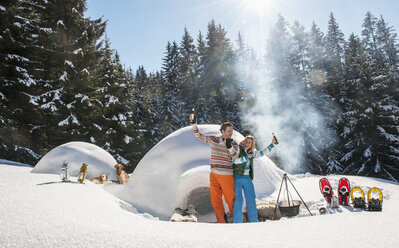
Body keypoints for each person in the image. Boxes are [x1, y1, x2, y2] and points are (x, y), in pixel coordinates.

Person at [189, 113, 238, 223]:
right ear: (223, 131)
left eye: (232, 131)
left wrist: (229, 147)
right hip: (214, 174)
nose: (231, 133)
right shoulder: (214, 140)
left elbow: (236, 157)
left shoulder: (233, 143)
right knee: (215, 200)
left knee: (231, 201)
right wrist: (194, 124)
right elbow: (199, 136)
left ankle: (237, 221)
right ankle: (221, 221)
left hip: (227, 176)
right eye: (229, 131)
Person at [232, 135, 278, 223]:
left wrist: (272, 144)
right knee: (238, 199)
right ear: (244, 141)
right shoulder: (238, 149)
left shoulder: (252, 153)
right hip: (237, 177)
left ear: (252, 145)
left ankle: (254, 220)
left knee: (251, 198)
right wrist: (246, 158)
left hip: (247, 178)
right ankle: (237, 222)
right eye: (246, 141)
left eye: (249, 143)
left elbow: (263, 153)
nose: (247, 144)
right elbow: (234, 161)